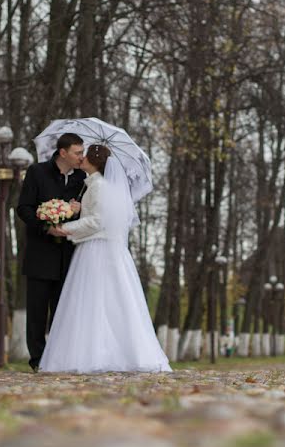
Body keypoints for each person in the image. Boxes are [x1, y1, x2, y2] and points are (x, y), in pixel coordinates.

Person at [39, 144, 172, 373]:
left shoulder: (98, 186)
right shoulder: (99, 185)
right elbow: (100, 217)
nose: (81, 159)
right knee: (113, 301)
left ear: (94, 162)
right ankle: (117, 351)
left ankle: (91, 355)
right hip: (109, 250)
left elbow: (97, 222)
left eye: (85, 156)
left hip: (95, 251)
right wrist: (79, 209)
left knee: (91, 301)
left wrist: (65, 228)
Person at [16, 133, 86, 371]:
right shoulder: (37, 172)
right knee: (36, 311)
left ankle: (58, 359)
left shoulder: (82, 178)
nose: (81, 157)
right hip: (40, 253)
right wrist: (46, 226)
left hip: (69, 256)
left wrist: (78, 211)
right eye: (78, 152)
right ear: (63, 152)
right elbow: (23, 208)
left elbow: (91, 215)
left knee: (62, 311)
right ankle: (37, 361)